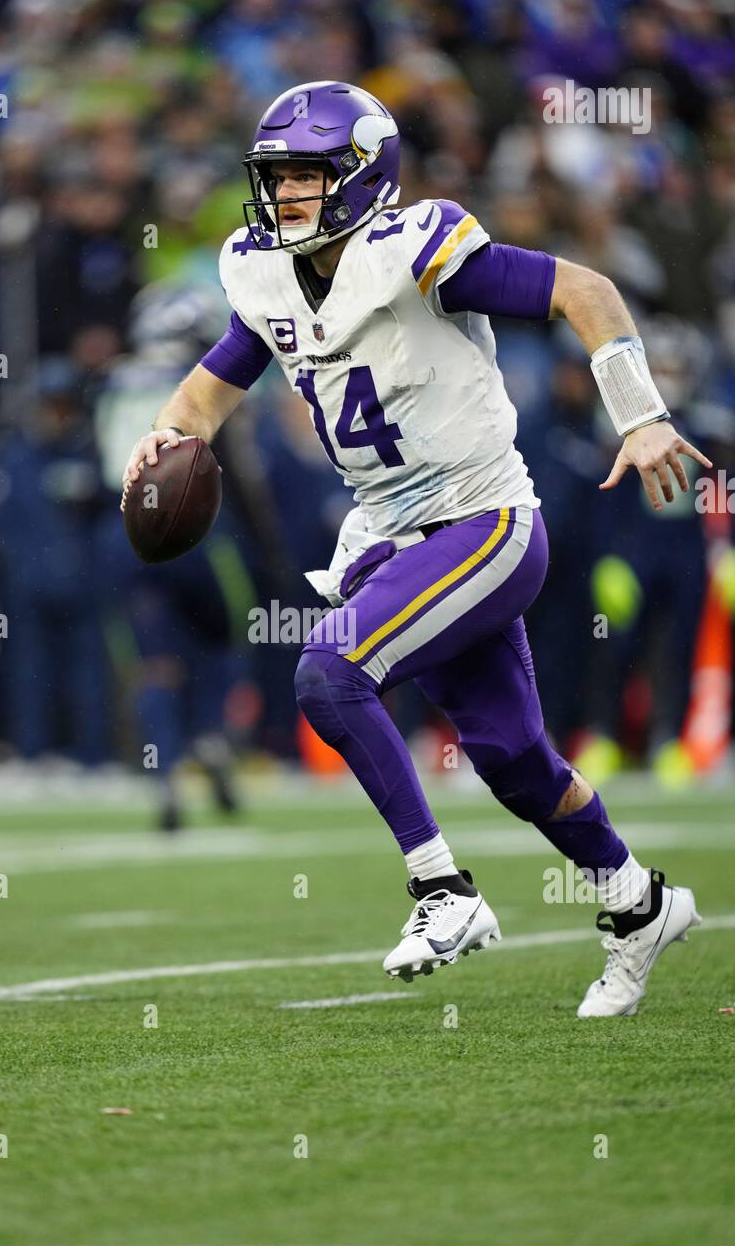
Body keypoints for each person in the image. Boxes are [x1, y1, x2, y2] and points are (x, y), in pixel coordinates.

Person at [122, 82, 711, 1018]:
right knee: (515, 760)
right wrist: (164, 436)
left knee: (328, 670)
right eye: (275, 180)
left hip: (485, 522)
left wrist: (640, 418)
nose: (285, 199)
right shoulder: (263, 273)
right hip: (388, 534)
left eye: (307, 178)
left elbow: (585, 291)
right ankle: (638, 904)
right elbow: (210, 387)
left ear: (363, 174)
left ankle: (444, 889)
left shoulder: (416, 249)